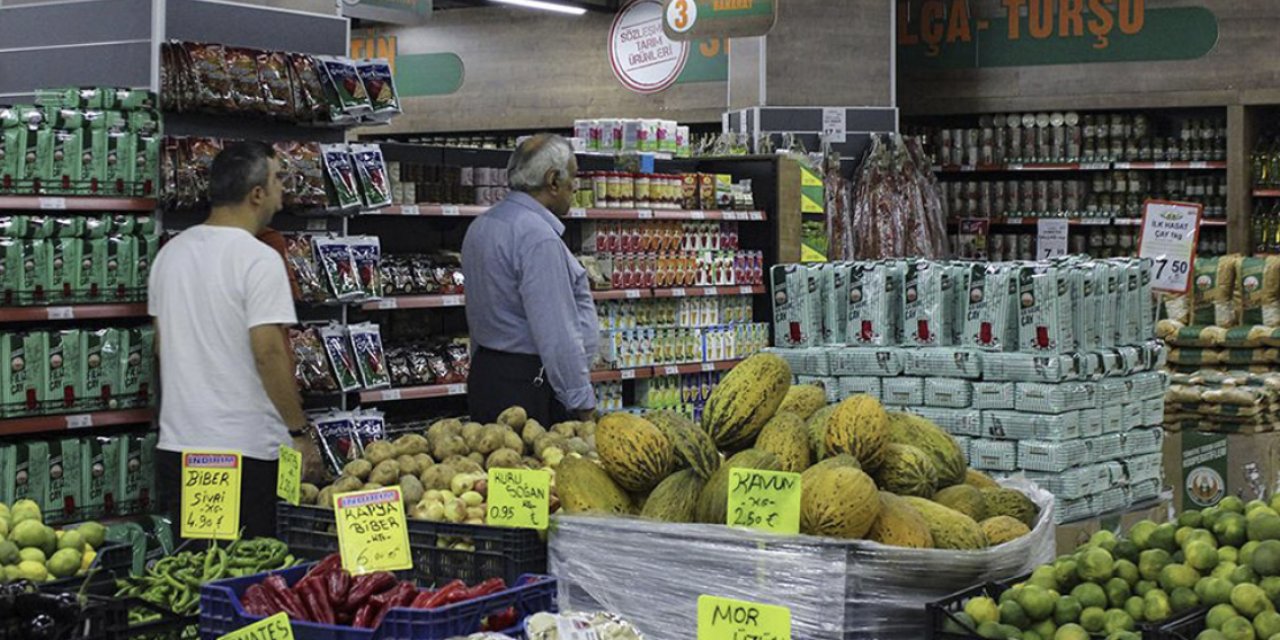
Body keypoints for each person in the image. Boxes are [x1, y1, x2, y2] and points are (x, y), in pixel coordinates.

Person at [148, 142, 322, 539]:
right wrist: (298, 433)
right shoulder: (258, 260)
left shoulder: (171, 255)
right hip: (247, 454)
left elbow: (161, 347)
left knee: (200, 570)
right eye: (278, 178)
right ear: (256, 193)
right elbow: (269, 353)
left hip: (183, 450)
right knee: (250, 575)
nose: (283, 189)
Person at [462, 134, 598, 426]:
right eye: (572, 177)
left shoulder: (482, 225)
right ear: (552, 181)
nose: (575, 187)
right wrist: (583, 405)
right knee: (532, 470)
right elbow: (556, 331)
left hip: (488, 374)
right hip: (528, 387)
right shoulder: (537, 237)